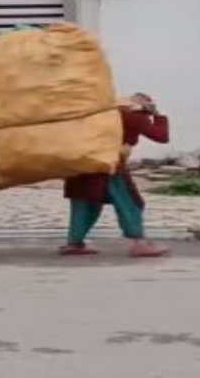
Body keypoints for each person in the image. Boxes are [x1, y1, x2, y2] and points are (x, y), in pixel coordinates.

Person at [60, 93, 170, 258]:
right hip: (110, 168)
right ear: (143, 104)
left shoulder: (100, 114)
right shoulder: (135, 117)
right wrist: (158, 115)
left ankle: (73, 243)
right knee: (130, 203)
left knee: (85, 203)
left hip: (81, 165)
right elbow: (161, 137)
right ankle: (139, 242)